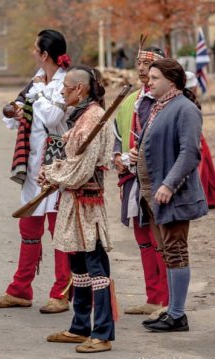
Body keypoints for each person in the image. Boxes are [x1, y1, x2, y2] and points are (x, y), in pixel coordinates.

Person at [0, 29, 71, 314]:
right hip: (33, 163)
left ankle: (62, 292)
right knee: (29, 225)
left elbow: (53, 116)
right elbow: (14, 112)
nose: (33, 52)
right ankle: (21, 289)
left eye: (36, 49)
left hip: (57, 162)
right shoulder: (37, 80)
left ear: (45, 54)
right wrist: (16, 110)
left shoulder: (64, 83)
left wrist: (37, 94)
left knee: (58, 229)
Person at [130, 58, 208, 332]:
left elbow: (190, 153)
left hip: (172, 194)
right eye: (148, 78)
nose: (148, 82)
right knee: (166, 252)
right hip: (153, 195)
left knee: (176, 252)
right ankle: (171, 311)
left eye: (154, 78)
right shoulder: (158, 106)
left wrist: (168, 184)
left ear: (171, 81)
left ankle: (177, 315)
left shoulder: (184, 108)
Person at [44, 65, 115, 353]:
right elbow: (70, 162)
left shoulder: (93, 120)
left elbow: (81, 170)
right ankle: (80, 327)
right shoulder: (84, 117)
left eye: (66, 87)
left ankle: (102, 333)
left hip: (88, 204)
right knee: (80, 266)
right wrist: (54, 169)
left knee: (95, 266)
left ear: (80, 89)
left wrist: (52, 174)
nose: (61, 91)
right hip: (75, 200)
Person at [113, 45, 169, 317]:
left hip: (158, 180)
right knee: (142, 238)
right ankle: (153, 296)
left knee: (162, 239)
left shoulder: (168, 101)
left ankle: (168, 300)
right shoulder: (130, 100)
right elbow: (117, 132)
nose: (142, 68)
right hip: (131, 177)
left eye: (149, 64)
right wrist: (116, 155)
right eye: (139, 63)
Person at [185, 71, 215, 207]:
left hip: (198, 136)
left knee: (206, 167)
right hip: (194, 138)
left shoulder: (190, 101)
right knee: (200, 168)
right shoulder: (188, 103)